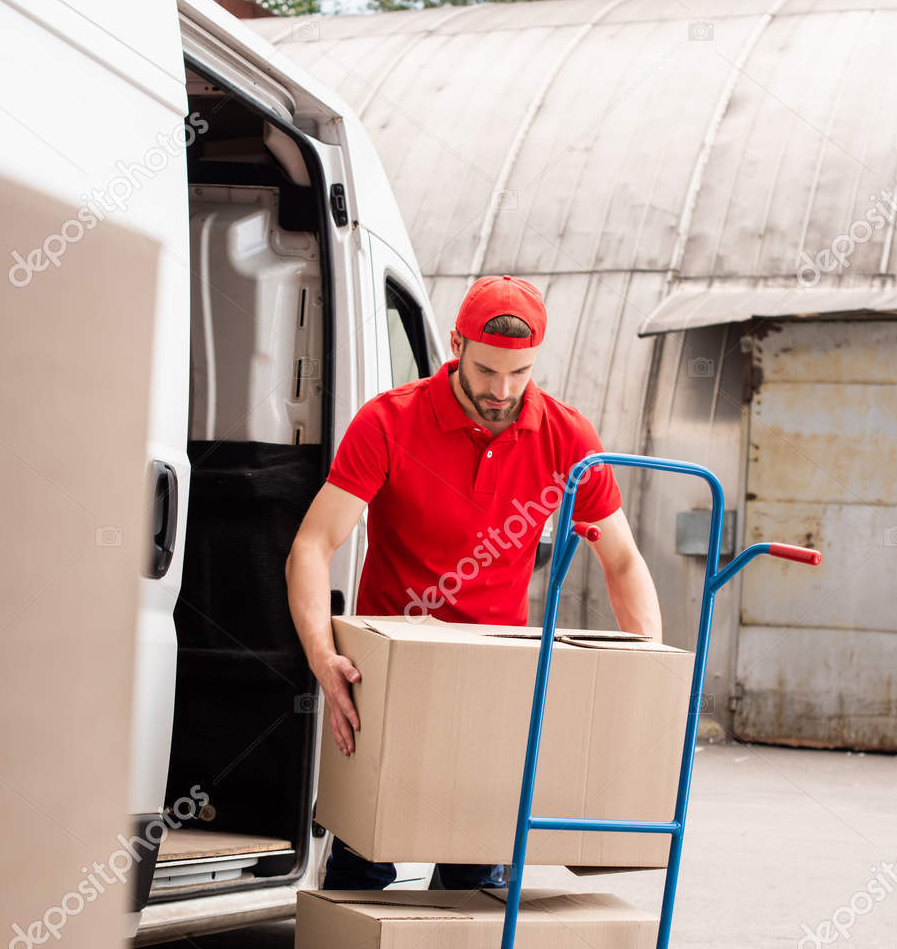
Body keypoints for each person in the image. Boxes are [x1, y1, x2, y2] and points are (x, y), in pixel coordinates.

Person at [284, 274, 662, 892]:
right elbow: (313, 544)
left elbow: (622, 562)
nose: (502, 391)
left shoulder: (569, 438)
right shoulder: (388, 422)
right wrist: (324, 659)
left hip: (497, 674)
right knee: (361, 864)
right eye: (487, 371)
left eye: (521, 373)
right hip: (390, 672)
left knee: (472, 874)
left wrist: (645, 679)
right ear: (455, 346)